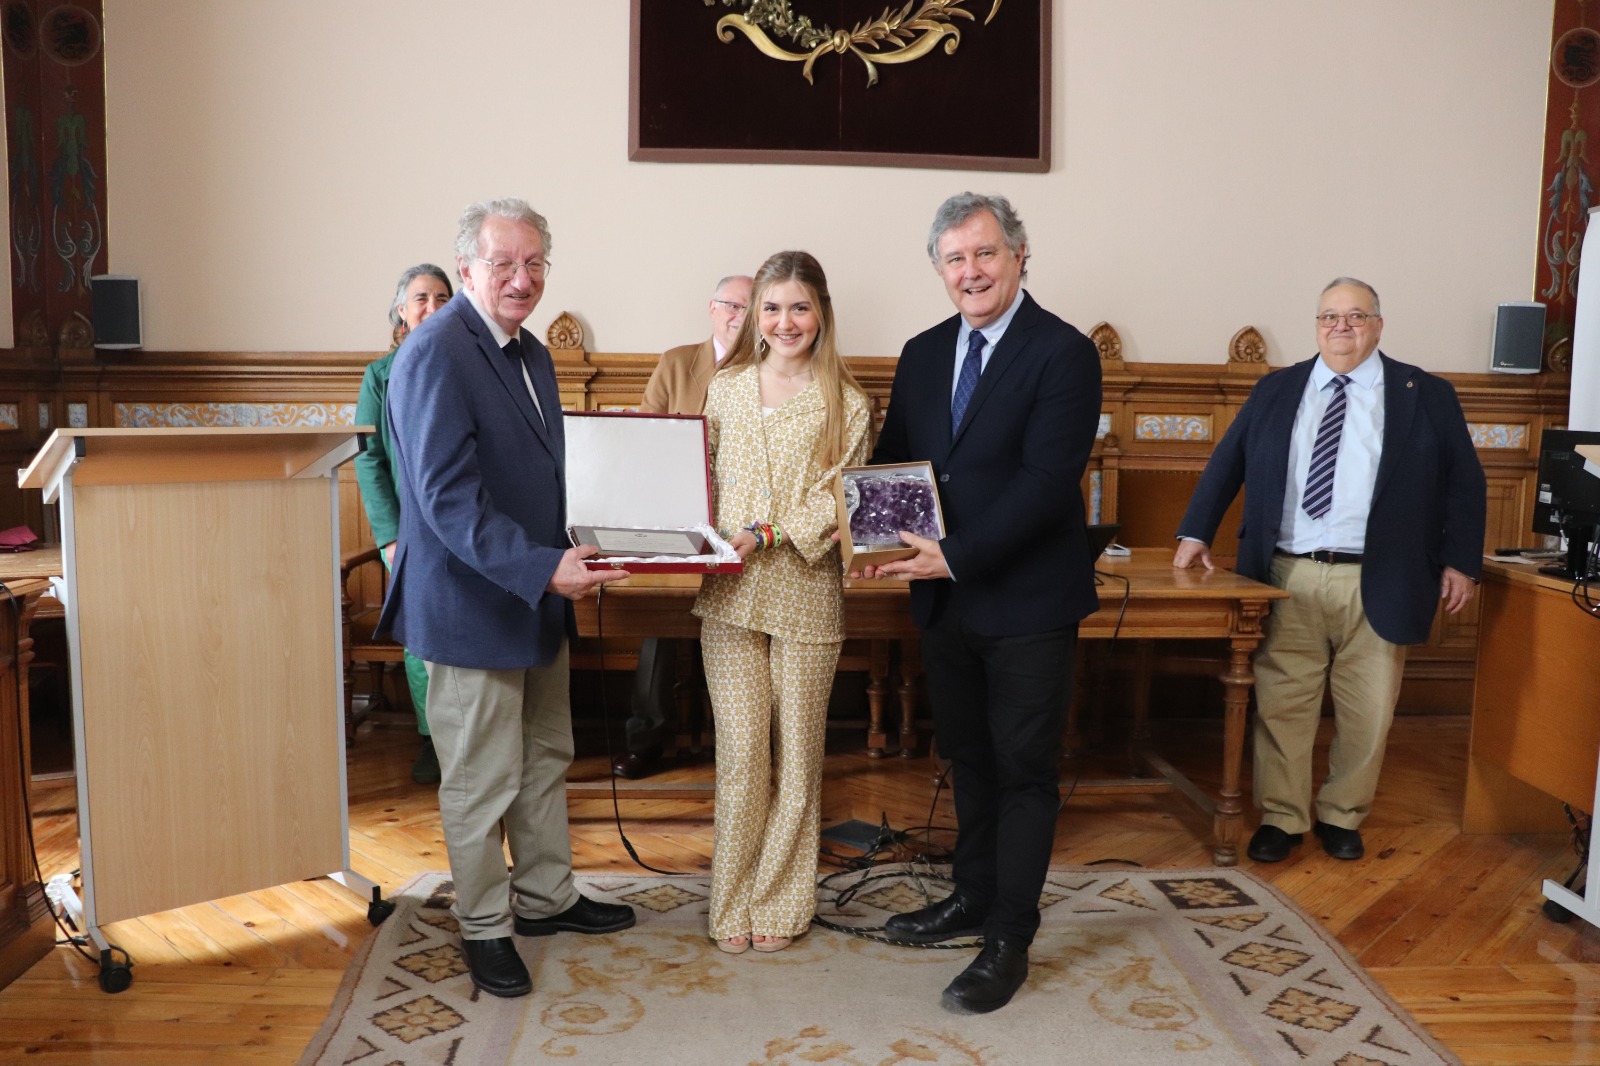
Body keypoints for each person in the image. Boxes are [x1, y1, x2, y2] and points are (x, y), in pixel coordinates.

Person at [379, 199, 634, 999]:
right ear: (466, 271)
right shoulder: (435, 352)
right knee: (481, 778)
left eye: (534, 265)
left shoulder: (530, 353)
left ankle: (546, 898)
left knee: (544, 758)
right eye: (503, 265)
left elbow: (546, 474)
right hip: (474, 602)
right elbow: (448, 501)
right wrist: (543, 569)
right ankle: (486, 927)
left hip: (536, 593)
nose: (521, 280)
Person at [863, 193, 1102, 1014]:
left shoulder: (1064, 353)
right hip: (943, 603)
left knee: (1024, 772)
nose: (971, 271)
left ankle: (1009, 936)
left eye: (986, 254)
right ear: (939, 270)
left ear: (1021, 255)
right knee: (967, 759)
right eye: (955, 259)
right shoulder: (923, 352)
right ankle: (970, 898)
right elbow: (897, 458)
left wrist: (952, 555)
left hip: (1028, 601)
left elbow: (1045, 484)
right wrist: (871, 534)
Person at [1174, 278, 1485, 865]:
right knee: (1282, 703)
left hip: (1384, 574)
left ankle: (1343, 814)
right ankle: (1282, 818)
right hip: (1287, 575)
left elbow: (1465, 482)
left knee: (1369, 707)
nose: (1341, 327)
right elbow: (1227, 461)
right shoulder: (1278, 389)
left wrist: (1462, 562)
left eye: (1355, 316)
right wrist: (1195, 532)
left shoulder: (1426, 393)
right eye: (1329, 317)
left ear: (1378, 324)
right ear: (1316, 325)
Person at [692, 251, 871, 956]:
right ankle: (731, 900)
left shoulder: (847, 403)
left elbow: (836, 499)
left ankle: (782, 899)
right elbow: (698, 481)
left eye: (799, 307)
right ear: (752, 316)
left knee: (798, 759)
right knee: (741, 757)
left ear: (821, 311)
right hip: (729, 596)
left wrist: (764, 532)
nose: (785, 321)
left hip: (805, 595)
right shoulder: (726, 389)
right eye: (771, 307)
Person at [614, 273, 754, 780]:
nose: (742, 316)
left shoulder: (772, 365)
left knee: (742, 626)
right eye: (734, 305)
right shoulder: (677, 362)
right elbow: (645, 441)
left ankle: (739, 748)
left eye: (752, 306)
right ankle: (646, 738)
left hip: (745, 525)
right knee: (659, 620)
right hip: (678, 516)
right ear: (713, 309)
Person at [353, 263, 452, 785]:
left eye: (442, 296)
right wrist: (389, 534)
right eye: (421, 298)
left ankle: (466, 740)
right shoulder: (380, 375)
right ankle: (431, 739)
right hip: (410, 531)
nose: (432, 306)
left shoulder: (467, 363)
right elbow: (367, 456)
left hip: (464, 525)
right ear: (401, 311)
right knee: (421, 640)